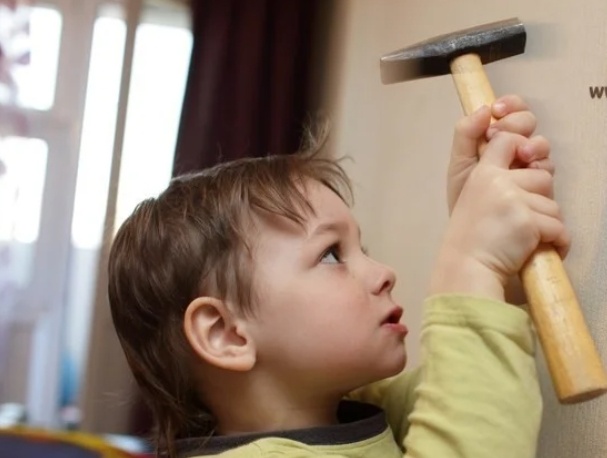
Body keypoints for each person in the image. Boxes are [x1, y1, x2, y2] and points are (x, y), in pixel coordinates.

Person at [108, 95, 568, 458]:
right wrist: (471, 264)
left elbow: (476, 402)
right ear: (226, 333)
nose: (384, 273)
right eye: (331, 255)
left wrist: (496, 278)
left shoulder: (365, 415)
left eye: (362, 250)